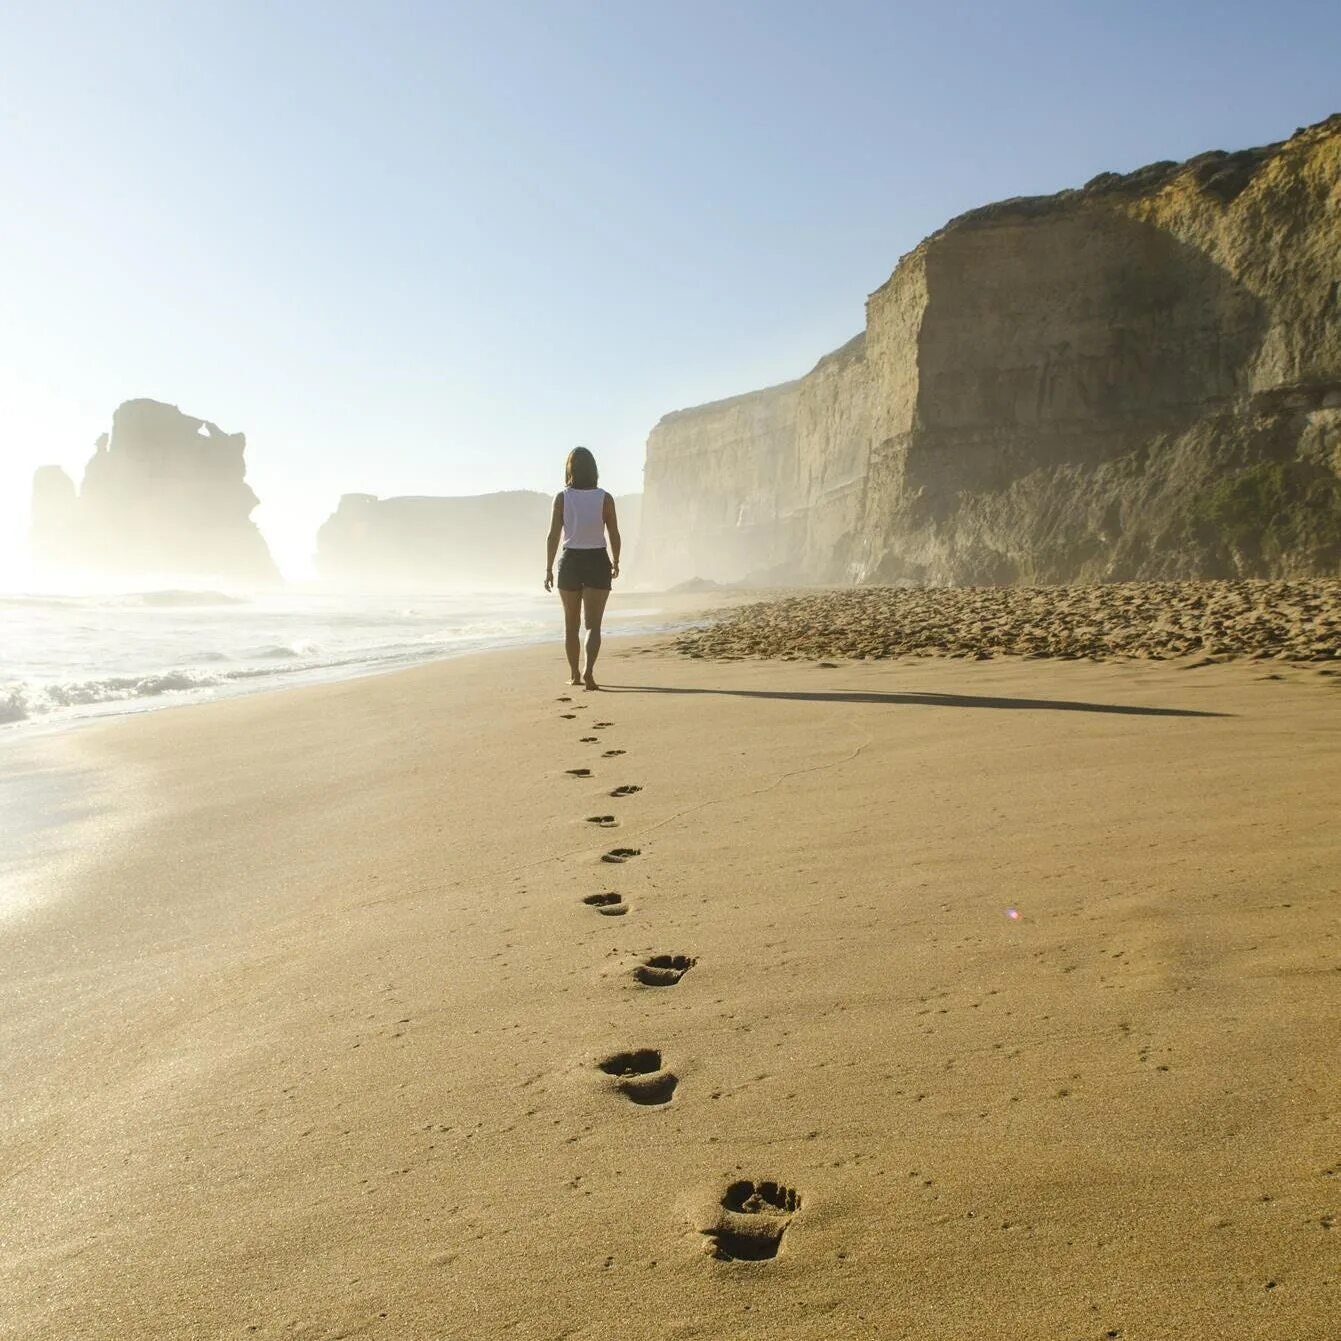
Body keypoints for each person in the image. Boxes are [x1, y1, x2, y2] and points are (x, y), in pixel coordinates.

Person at [544, 446, 620, 689]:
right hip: (598, 559)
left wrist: (548, 569)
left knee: (571, 624)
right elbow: (614, 533)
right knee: (593, 626)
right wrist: (616, 561)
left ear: (570, 469)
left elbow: (553, 536)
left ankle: (575, 674)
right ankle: (589, 673)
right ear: (594, 470)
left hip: (570, 561)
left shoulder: (562, 497)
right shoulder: (605, 498)